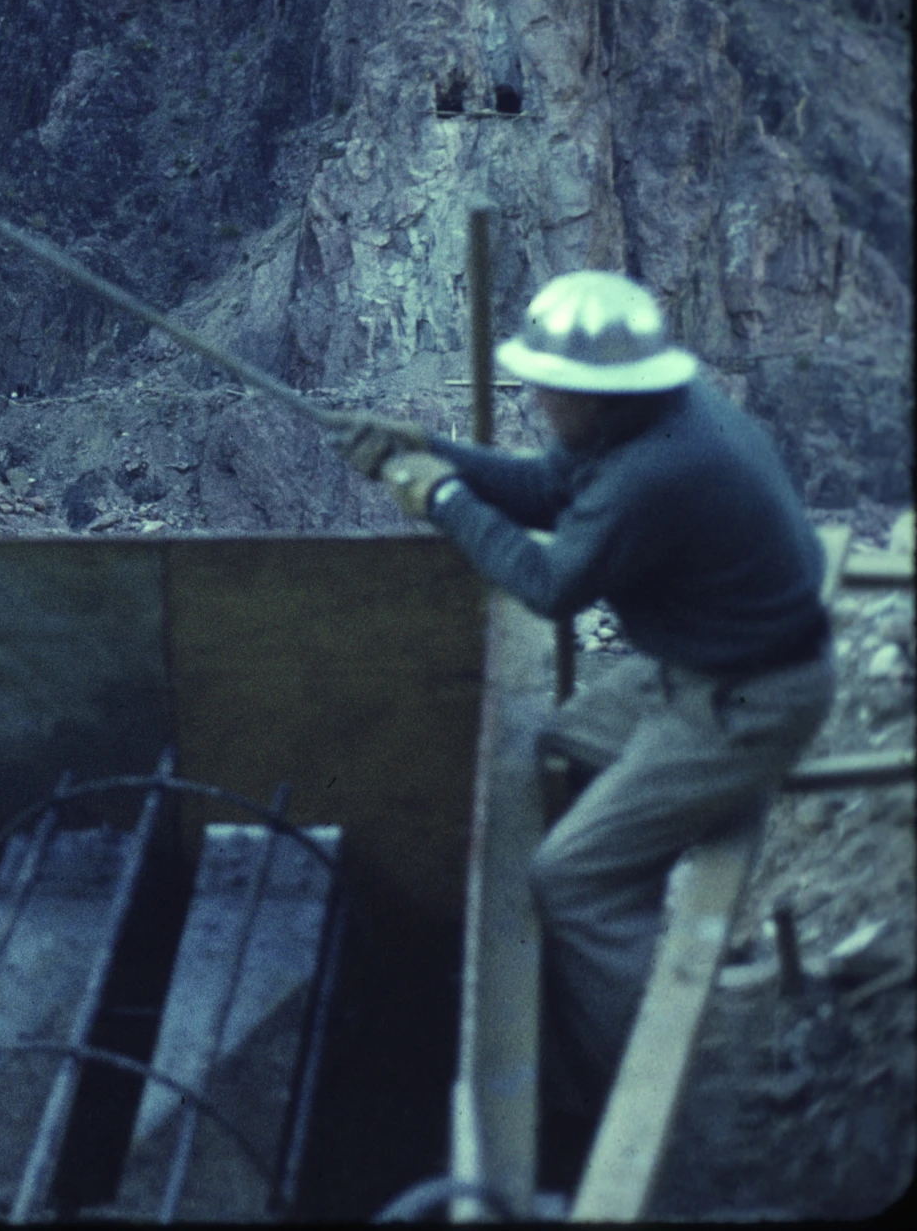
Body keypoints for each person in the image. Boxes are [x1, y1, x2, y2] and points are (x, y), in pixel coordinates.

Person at [343, 270, 832, 1149]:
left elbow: (549, 582)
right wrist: (431, 446)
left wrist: (440, 496)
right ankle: (627, 888)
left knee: (570, 878)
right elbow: (543, 489)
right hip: (702, 669)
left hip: (745, 702)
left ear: (593, 393)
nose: (533, 395)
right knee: (558, 737)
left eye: (545, 383)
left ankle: (643, 1105)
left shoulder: (656, 468)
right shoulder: (651, 417)